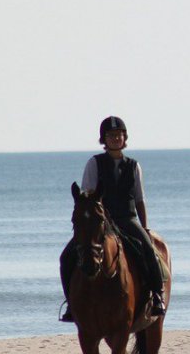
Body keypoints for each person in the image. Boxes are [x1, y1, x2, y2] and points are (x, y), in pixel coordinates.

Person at [59, 116, 166, 322]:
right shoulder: (94, 163)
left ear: (125, 138)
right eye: (111, 135)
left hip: (127, 218)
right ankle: (71, 303)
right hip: (101, 222)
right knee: (66, 257)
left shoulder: (134, 166)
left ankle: (157, 295)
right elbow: (87, 194)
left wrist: (144, 227)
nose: (116, 138)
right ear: (104, 139)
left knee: (148, 249)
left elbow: (140, 199)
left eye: (119, 135)